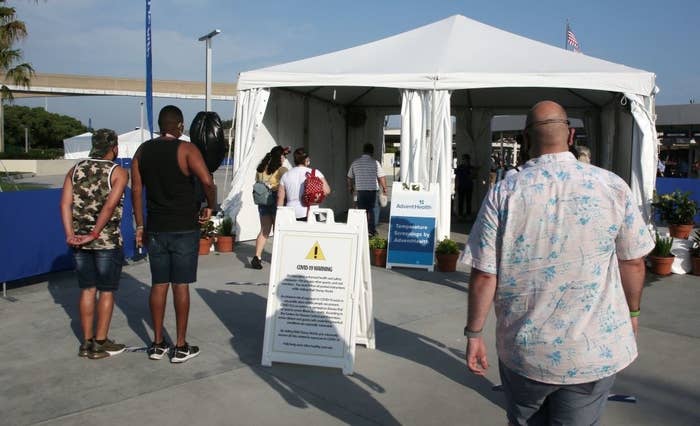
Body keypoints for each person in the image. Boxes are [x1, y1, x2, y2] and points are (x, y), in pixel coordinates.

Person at [464, 100, 654, 425]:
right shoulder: (611, 186)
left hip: (526, 352)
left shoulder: (504, 192)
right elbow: (633, 262)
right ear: (571, 135)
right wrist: (633, 312)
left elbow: (484, 274)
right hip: (591, 353)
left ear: (525, 139)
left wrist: (474, 334)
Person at [131, 105, 216, 363]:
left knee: (158, 284)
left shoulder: (142, 151)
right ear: (179, 125)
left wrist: (140, 225)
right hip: (183, 227)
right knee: (180, 285)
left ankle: (157, 344)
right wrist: (210, 206)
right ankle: (180, 345)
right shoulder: (187, 149)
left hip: (156, 227)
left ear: (160, 125)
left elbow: (136, 191)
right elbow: (207, 181)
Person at [60, 129, 129, 359]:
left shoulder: (75, 170)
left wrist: (71, 234)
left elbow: (65, 204)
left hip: (79, 241)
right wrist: (95, 233)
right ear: (114, 148)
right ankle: (100, 343)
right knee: (106, 291)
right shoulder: (117, 172)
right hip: (106, 241)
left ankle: (86, 342)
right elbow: (109, 207)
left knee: (87, 290)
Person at [251, 146, 288, 269]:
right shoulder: (282, 170)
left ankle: (257, 256)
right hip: (276, 201)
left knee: (264, 230)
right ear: (280, 157)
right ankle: (279, 259)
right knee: (278, 231)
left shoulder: (260, 169)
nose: (284, 158)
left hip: (262, 202)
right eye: (284, 156)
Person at [278, 147, 331, 221]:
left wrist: (279, 215)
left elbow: (280, 198)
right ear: (307, 160)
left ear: (295, 160)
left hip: (290, 213)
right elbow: (327, 190)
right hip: (310, 212)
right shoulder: (315, 173)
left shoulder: (286, 175)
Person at [347, 143, 387, 236]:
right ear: (372, 152)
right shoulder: (375, 162)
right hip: (373, 191)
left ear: (364, 151)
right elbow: (381, 177)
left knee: (361, 211)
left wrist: (350, 187)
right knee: (374, 210)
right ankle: (371, 230)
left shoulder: (355, 162)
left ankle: (362, 230)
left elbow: (349, 177)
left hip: (360, 192)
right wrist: (385, 188)